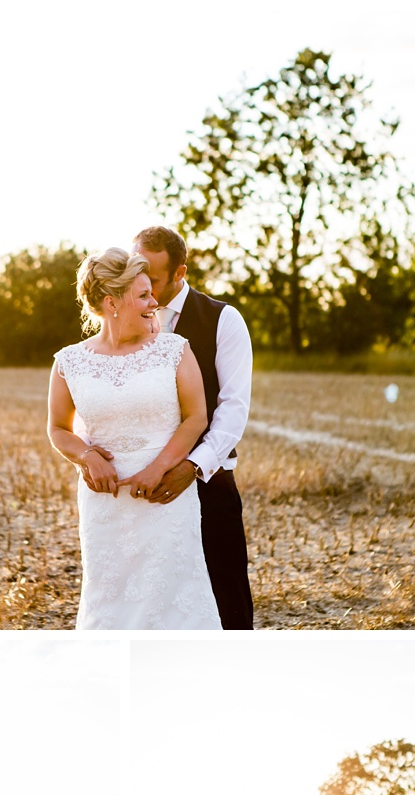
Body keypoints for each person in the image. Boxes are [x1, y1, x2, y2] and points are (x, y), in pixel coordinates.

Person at [48, 247, 221, 630]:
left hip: (165, 497)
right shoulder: (69, 362)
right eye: (143, 295)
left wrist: (159, 469)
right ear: (112, 303)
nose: (154, 302)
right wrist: (86, 457)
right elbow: (58, 427)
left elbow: (196, 418)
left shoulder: (174, 350)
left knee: (174, 596)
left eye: (151, 293)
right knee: (110, 598)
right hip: (104, 504)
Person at [133, 226, 254, 630]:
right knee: (153, 598)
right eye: (136, 270)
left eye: (151, 275)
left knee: (225, 598)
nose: (141, 283)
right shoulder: (124, 319)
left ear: (180, 273)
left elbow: (233, 409)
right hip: (142, 487)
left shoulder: (223, 320)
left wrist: (193, 467)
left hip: (209, 484)